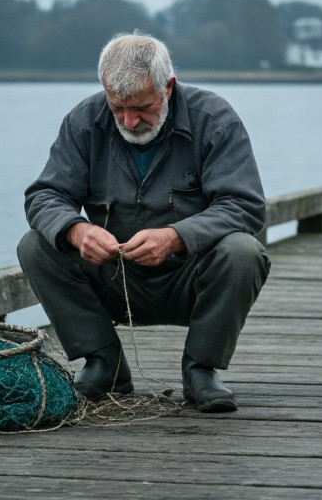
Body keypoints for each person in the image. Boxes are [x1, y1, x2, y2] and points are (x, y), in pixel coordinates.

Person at [17, 32, 270, 412]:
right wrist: (77, 229)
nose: (129, 120)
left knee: (243, 250)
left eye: (142, 107)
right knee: (35, 245)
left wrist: (176, 237)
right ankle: (105, 365)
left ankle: (200, 369)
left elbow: (245, 205)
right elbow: (44, 196)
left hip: (190, 279)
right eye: (117, 107)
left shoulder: (215, 119)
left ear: (167, 86)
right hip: (114, 277)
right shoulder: (83, 122)